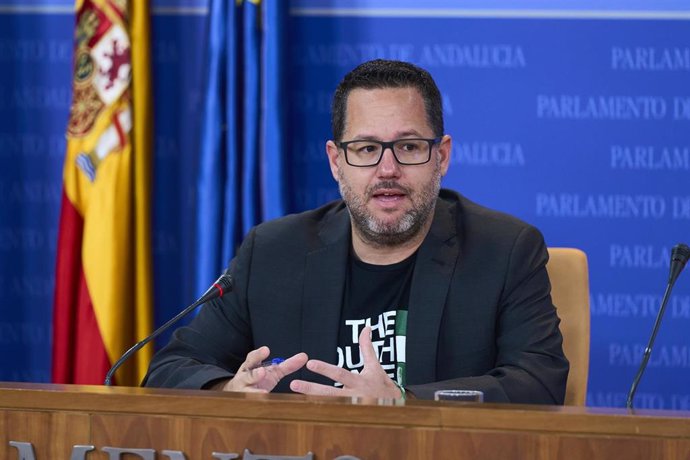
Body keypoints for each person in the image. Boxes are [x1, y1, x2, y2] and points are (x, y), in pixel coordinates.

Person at [143, 59, 568, 404]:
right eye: (366, 149)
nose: (388, 170)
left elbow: (539, 382)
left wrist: (405, 401)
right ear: (335, 161)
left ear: (441, 157)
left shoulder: (505, 251)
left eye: (408, 147)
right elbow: (171, 367)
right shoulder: (272, 253)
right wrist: (227, 391)